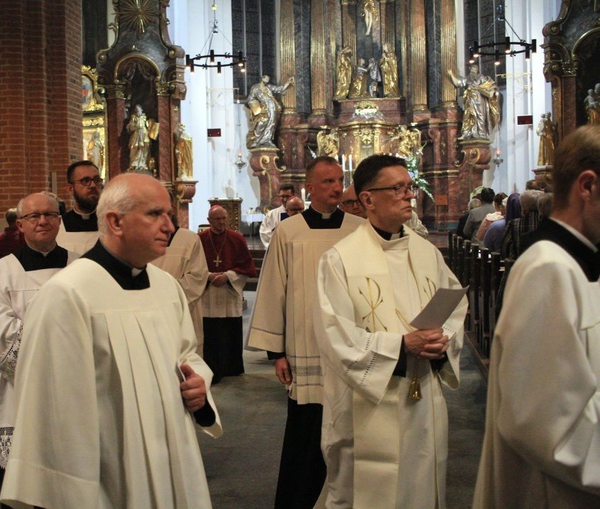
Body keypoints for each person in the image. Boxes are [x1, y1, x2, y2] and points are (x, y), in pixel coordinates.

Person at [0, 174, 222, 508]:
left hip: (173, 456)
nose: (170, 227)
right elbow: (53, 412)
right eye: (155, 214)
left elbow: (187, 355)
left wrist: (198, 388)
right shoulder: (67, 294)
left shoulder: (165, 286)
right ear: (115, 221)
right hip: (111, 472)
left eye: (170, 216)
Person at [315, 154, 467, 509]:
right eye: (397, 189)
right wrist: (401, 347)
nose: (409, 196)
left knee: (422, 483)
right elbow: (334, 334)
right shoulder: (339, 259)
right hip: (368, 401)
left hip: (424, 396)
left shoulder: (426, 251)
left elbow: (455, 306)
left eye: (409, 187)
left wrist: (441, 340)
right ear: (368, 199)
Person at [473, 125, 600, 508]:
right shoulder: (548, 270)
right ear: (588, 185)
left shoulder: (576, 263)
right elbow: (544, 424)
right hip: (557, 490)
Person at [247, 156, 363, 509]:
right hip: (304, 350)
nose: (334, 188)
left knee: (350, 430)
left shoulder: (360, 229)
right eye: (326, 181)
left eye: (338, 180)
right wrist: (276, 352)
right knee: (306, 431)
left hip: (350, 348)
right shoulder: (288, 232)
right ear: (309, 187)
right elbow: (272, 292)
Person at [0, 192, 78, 469]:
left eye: (50, 215)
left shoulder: (82, 267)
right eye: (34, 216)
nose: (43, 221)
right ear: (20, 225)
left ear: (59, 222)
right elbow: (1, 334)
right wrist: (58, 342)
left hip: (74, 383)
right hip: (23, 387)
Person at [198, 205, 257, 383]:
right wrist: (208, 276)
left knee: (229, 330)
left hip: (229, 290)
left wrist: (228, 276)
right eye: (217, 219)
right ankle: (211, 367)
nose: (222, 222)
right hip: (208, 291)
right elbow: (192, 266)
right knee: (211, 332)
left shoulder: (236, 238)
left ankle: (231, 367)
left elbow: (247, 266)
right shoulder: (199, 239)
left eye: (224, 218)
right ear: (209, 221)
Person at [150, 211, 209, 356]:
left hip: (184, 309)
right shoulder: (139, 238)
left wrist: (164, 290)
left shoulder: (189, 238)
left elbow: (198, 276)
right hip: (149, 310)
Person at [56, 160, 103, 255]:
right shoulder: (58, 226)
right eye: (85, 181)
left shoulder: (112, 224)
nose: (93, 185)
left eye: (97, 180)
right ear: (70, 189)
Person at [448, 64, 501, 140]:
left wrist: (492, 92)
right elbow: (458, 83)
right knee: (468, 116)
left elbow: (489, 86)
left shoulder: (481, 77)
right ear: (470, 69)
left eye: (475, 69)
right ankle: (467, 133)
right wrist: (451, 75)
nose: (473, 70)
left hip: (479, 99)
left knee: (480, 116)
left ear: (477, 70)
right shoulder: (467, 78)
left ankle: (481, 134)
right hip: (469, 100)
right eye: (472, 68)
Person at [246, 74, 295, 149]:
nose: (267, 81)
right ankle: (257, 140)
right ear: (262, 78)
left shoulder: (269, 87)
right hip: (262, 107)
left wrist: (288, 83)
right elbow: (250, 98)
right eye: (266, 79)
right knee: (261, 122)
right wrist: (255, 107)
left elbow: (279, 89)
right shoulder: (255, 88)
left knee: (272, 122)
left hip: (272, 105)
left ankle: (267, 140)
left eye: (268, 80)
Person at [501, 190, 542, 260]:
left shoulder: (514, 224)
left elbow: (504, 249)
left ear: (523, 207)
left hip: (519, 266)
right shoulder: (546, 224)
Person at [260, 184, 297, 248]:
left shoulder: (302, 213)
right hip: (277, 249)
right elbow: (264, 232)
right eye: (282, 196)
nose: (285, 199)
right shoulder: (271, 214)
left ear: (293, 196)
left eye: (287, 196)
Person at [127, 104, 157, 174]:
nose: (137, 111)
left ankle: (143, 164)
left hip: (144, 135)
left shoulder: (145, 118)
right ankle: (134, 164)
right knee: (134, 149)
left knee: (144, 149)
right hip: (136, 135)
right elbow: (130, 127)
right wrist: (134, 126)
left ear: (141, 110)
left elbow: (150, 126)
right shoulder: (133, 118)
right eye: (136, 110)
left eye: (138, 109)